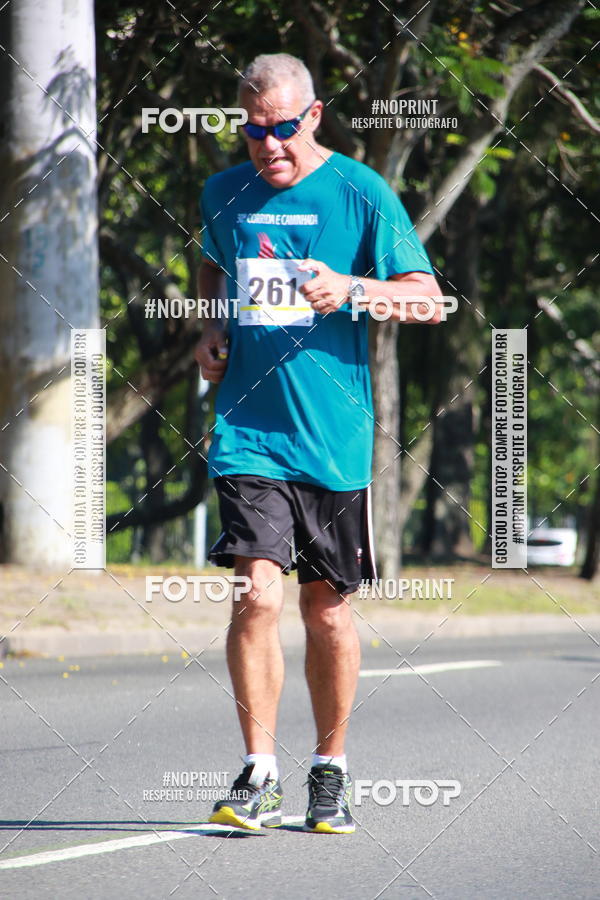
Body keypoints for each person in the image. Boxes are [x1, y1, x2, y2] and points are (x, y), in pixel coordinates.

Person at [195, 53, 443, 834]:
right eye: (252, 131)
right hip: (248, 431)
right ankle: (257, 772)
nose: (267, 147)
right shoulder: (222, 193)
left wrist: (356, 290)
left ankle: (329, 768)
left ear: (314, 116)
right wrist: (209, 329)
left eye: (279, 130)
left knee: (327, 613)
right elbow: (212, 265)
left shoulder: (362, 192)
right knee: (255, 593)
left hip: (333, 439)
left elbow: (429, 300)